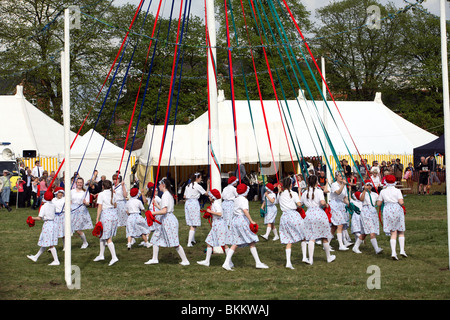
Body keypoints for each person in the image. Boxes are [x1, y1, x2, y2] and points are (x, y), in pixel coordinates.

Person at [222, 183, 268, 271]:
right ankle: (258, 262)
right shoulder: (244, 200)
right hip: (242, 220)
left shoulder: (235, 199)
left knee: (236, 243)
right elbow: (245, 210)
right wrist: (251, 221)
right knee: (252, 240)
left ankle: (226, 263)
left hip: (235, 221)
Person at [145, 178, 190, 266]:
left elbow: (164, 211)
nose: (158, 186)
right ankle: (154, 259)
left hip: (168, 220)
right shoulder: (167, 194)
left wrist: (152, 213)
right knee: (155, 238)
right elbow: (163, 208)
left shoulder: (165, 195)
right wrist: (156, 205)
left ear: (163, 185)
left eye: (159, 184)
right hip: (165, 220)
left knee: (174, 242)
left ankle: (185, 260)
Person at [301, 175, 335, 265]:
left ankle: (310, 259)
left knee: (311, 237)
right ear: (316, 182)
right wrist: (326, 205)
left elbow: (300, 204)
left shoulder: (305, 192)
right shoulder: (319, 191)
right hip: (319, 214)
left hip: (308, 215)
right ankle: (328, 257)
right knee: (324, 236)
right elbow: (322, 202)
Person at [278, 177, 308, 269]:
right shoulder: (294, 194)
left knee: (288, 239)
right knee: (304, 236)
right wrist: (300, 193)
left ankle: (288, 262)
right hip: (294, 216)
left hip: (284, 217)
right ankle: (304, 257)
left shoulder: (280, 194)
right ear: (291, 184)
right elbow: (299, 204)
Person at [197, 189, 231, 267]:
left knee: (224, 244)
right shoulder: (214, 203)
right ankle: (207, 261)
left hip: (219, 225)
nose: (209, 197)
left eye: (210, 196)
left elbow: (220, 214)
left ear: (213, 197)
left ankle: (229, 262)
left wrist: (210, 212)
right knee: (209, 242)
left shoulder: (216, 204)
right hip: (217, 224)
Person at [377, 175, 406, 260]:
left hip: (387, 210)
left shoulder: (383, 191)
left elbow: (379, 204)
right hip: (397, 209)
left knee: (393, 232)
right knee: (400, 231)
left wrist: (380, 200)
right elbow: (401, 202)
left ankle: (393, 252)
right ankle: (402, 250)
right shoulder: (397, 191)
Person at [27, 191, 60, 265]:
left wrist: (32, 218)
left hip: (48, 225)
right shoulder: (53, 205)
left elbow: (39, 218)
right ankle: (35, 257)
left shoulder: (44, 206)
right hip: (53, 224)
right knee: (45, 242)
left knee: (50, 244)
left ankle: (56, 260)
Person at [352, 181, 383, 255]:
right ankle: (376, 249)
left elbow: (379, 202)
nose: (369, 186)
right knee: (372, 231)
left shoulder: (375, 194)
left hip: (373, 212)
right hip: (365, 212)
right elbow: (361, 199)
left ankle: (355, 247)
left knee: (364, 233)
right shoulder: (362, 194)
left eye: (370, 185)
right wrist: (365, 191)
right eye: (367, 185)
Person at [94, 179, 119, 266]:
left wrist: (97, 218)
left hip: (106, 216)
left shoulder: (101, 194)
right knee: (103, 235)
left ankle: (114, 257)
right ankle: (101, 255)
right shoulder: (113, 193)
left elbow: (99, 206)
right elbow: (115, 205)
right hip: (114, 215)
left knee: (108, 237)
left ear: (103, 186)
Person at [183, 172, 209, 247]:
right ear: (197, 178)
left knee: (193, 222)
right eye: (200, 178)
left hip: (188, 203)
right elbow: (206, 193)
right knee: (194, 223)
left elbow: (184, 196)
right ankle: (189, 243)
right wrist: (208, 185)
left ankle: (192, 239)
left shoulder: (188, 185)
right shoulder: (197, 186)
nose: (201, 179)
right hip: (194, 203)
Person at [329, 171, 351, 251]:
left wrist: (350, 205)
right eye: (340, 176)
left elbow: (345, 198)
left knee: (334, 227)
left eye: (343, 176)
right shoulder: (334, 185)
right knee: (340, 225)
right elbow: (338, 192)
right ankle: (341, 245)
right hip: (334, 206)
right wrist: (343, 185)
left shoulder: (343, 186)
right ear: (336, 177)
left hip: (341, 206)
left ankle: (327, 244)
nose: (342, 177)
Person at [70, 177, 92, 249]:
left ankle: (85, 242)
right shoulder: (72, 191)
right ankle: (66, 246)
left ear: (83, 183)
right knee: (68, 227)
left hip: (81, 211)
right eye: (78, 182)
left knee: (78, 229)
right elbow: (70, 200)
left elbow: (88, 203)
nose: (79, 184)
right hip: (72, 210)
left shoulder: (85, 192)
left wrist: (86, 203)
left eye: (81, 182)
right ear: (76, 183)